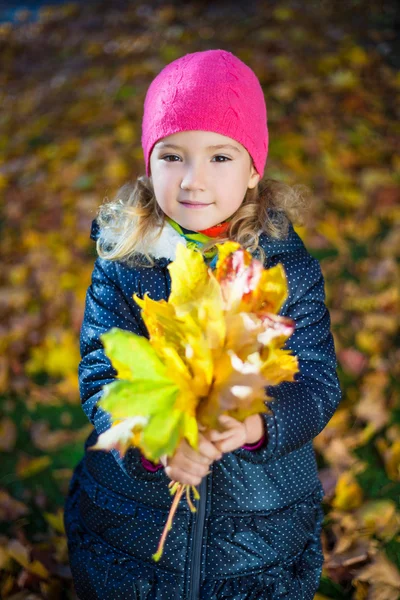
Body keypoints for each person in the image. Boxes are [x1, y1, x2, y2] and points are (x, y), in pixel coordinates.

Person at [64, 49, 341, 600]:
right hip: (133, 529)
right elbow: (102, 372)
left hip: (259, 529)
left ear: (253, 170)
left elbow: (317, 380)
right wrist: (155, 442)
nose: (193, 180)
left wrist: (256, 426)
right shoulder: (127, 263)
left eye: (219, 157)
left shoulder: (285, 271)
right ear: (149, 164)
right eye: (173, 156)